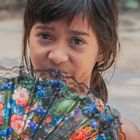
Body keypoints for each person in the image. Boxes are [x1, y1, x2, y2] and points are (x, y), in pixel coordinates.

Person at [1, 0, 139, 139]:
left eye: (77, 41)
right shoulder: (5, 113)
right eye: (45, 36)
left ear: (102, 50)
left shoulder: (120, 134)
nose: (57, 56)